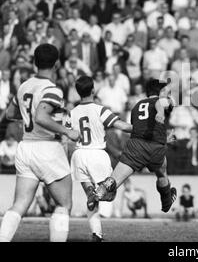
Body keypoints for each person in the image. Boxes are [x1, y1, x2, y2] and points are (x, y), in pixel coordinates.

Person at [0, 44, 80, 242]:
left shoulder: (24, 86)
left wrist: (27, 117)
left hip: (25, 147)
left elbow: (10, 114)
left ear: (34, 62)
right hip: (47, 148)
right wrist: (67, 131)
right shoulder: (53, 89)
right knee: (64, 204)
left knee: (19, 205)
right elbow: (42, 117)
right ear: (57, 63)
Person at [95, 78, 177, 213]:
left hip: (136, 146)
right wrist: (161, 114)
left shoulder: (136, 106)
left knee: (115, 179)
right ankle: (166, 201)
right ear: (161, 91)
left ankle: (101, 191)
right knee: (162, 173)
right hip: (155, 148)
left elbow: (137, 128)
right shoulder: (162, 100)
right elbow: (160, 104)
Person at [66, 75, 133, 241]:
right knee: (109, 195)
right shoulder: (100, 109)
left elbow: (66, 137)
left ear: (77, 92)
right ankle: (95, 196)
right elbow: (123, 126)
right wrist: (144, 130)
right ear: (93, 90)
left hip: (79, 155)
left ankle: (97, 234)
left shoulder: (72, 113)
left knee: (92, 197)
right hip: (97, 154)